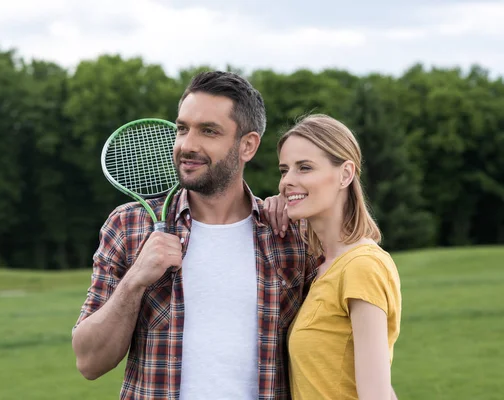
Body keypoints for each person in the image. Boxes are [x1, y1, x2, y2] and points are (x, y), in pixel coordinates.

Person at [71, 71, 317, 400]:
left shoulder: (289, 235)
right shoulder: (129, 225)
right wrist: (135, 281)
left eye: (208, 132)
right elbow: (89, 362)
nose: (187, 145)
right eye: (182, 128)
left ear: (248, 145)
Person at [265, 114, 402, 400]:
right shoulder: (321, 266)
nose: (287, 181)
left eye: (304, 168)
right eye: (284, 170)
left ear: (345, 174)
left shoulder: (362, 265)